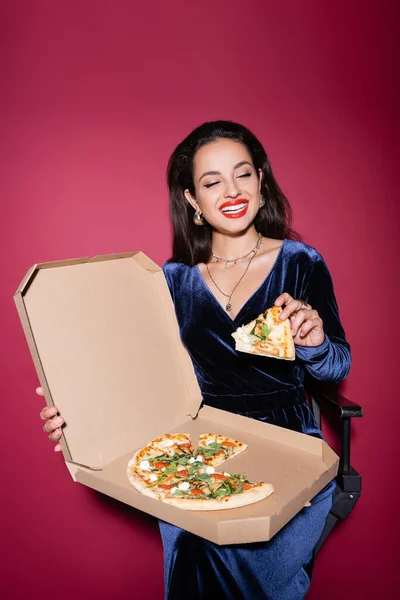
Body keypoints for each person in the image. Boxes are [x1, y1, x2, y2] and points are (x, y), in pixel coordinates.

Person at [37, 121, 351, 600]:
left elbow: (337, 368)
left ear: (261, 182)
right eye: (211, 182)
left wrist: (313, 341)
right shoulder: (170, 280)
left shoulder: (301, 262)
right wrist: (78, 415)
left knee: (220, 556)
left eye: (242, 174)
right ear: (191, 200)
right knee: (194, 553)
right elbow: (140, 378)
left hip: (289, 446)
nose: (231, 190)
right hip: (195, 448)